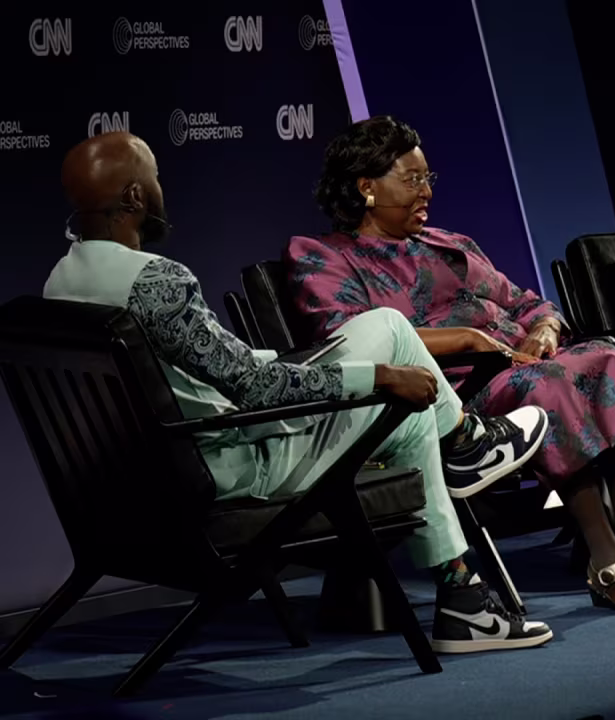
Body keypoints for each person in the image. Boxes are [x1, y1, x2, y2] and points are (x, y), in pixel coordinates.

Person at [45, 132, 556, 653]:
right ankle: (466, 453)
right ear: (134, 197)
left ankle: (465, 581)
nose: (161, 189)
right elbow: (254, 390)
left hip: (148, 476)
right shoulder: (158, 282)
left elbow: (216, 368)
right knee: (396, 353)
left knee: (396, 359)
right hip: (236, 464)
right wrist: (378, 377)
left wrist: (290, 360)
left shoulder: (62, 280)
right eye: (155, 178)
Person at [284, 116, 615, 612]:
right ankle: (606, 557)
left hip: (524, 364)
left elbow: (528, 303)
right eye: (411, 180)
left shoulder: (450, 245)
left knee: (606, 358)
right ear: (366, 187)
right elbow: (349, 338)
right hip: (451, 397)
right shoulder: (324, 257)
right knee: (549, 384)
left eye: (428, 178)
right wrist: (468, 338)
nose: (426, 191)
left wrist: (545, 329)